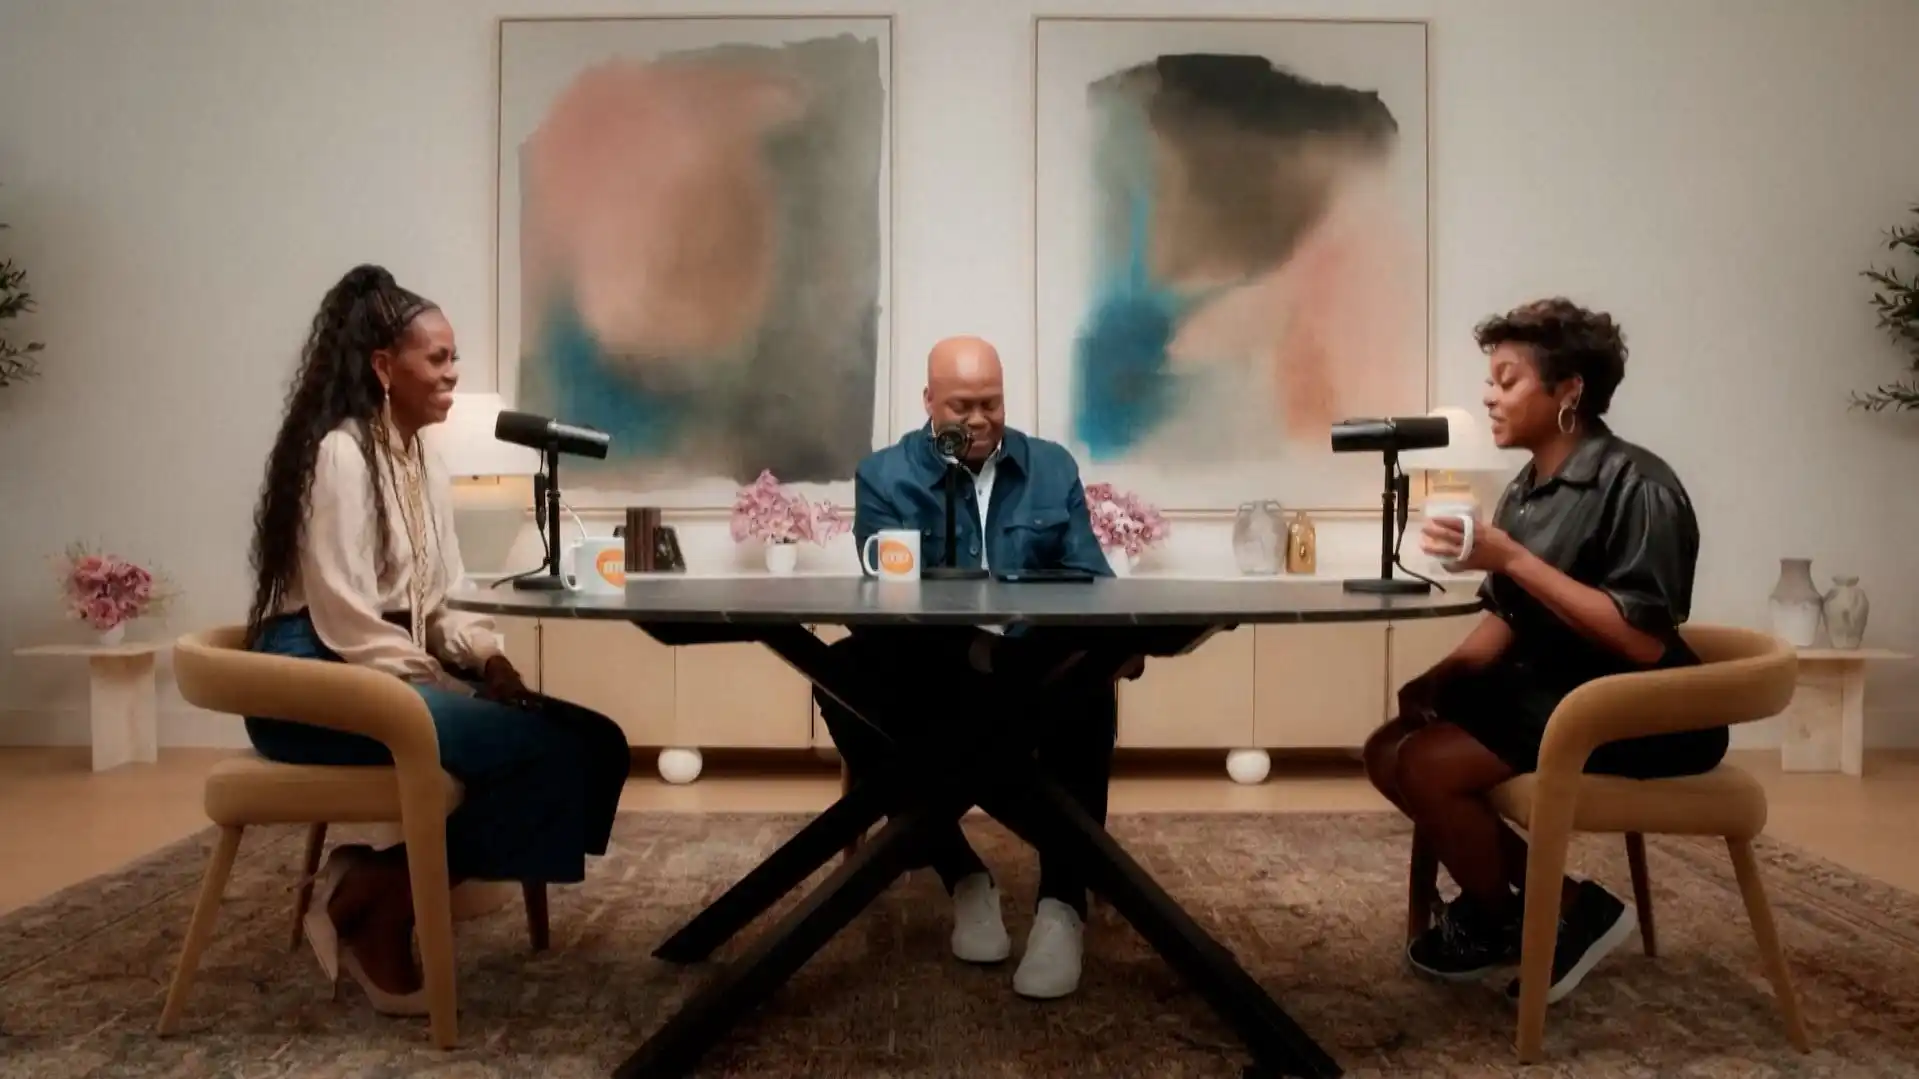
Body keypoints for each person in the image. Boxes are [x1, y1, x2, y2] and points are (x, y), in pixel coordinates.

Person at [242, 264, 632, 1015]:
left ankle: (372, 882)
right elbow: (347, 615)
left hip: (381, 669)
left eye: (455, 358)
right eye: (438, 358)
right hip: (314, 681)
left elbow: (439, 597)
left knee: (596, 745)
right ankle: (384, 911)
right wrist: (440, 682)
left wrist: (488, 657)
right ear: (384, 367)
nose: (453, 373)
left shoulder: (422, 459)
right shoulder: (342, 454)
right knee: (540, 752)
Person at [1366, 297, 1716, 1004]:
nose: (1488, 397)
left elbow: (1640, 641)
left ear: (1568, 392)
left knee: (1426, 764)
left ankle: (1531, 914)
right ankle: (1536, 909)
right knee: (1386, 746)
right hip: (1555, 692)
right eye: (1489, 381)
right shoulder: (1526, 490)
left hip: (1637, 709)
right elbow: (1508, 615)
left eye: (1506, 380)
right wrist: (1440, 676)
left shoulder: (1640, 486)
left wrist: (1512, 558)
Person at [816, 335, 1118, 1000]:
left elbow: (1093, 580)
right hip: (932, 673)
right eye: (961, 406)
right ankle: (961, 874)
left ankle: (1062, 904)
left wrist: (1026, 641)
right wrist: (972, 646)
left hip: (1033, 668)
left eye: (991, 403)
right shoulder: (884, 476)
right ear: (929, 401)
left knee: (1089, 688)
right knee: (839, 677)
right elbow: (879, 599)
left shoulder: (1051, 467)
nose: (979, 419)